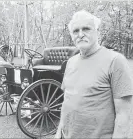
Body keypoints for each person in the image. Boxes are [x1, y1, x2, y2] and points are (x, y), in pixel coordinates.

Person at [55, 10, 133, 139]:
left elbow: (123, 115)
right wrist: (59, 132)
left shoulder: (115, 61)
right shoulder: (70, 62)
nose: (80, 34)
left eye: (86, 29)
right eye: (75, 31)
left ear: (98, 32)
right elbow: (67, 101)